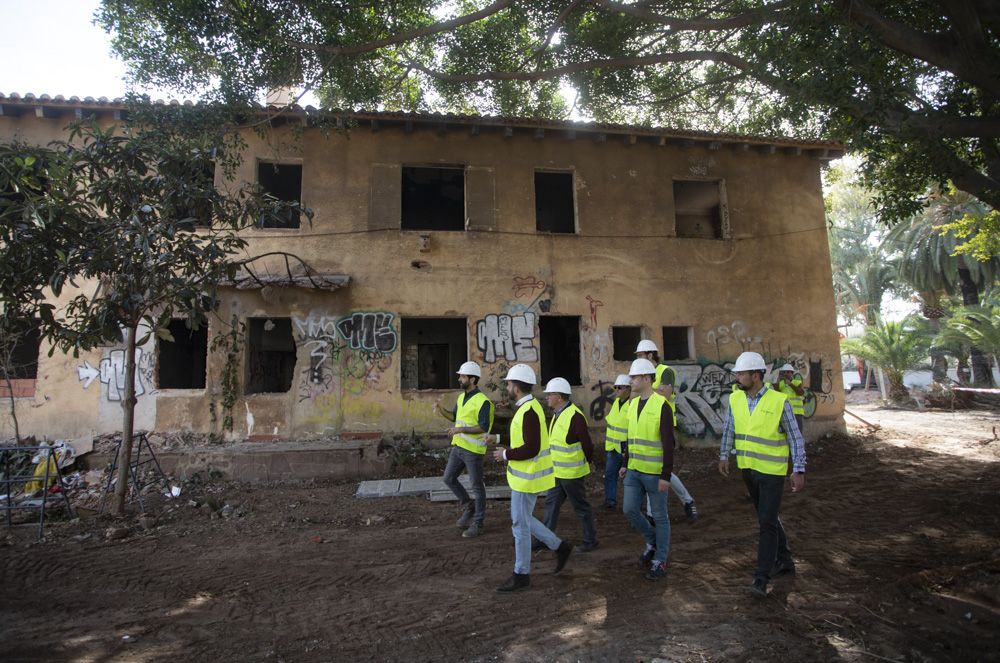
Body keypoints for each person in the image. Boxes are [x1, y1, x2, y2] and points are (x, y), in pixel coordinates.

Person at [718, 351, 807, 600]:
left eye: (741, 373)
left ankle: (762, 577)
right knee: (767, 517)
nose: (737, 376)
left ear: (756, 375)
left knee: (766, 523)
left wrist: (798, 469)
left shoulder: (779, 401)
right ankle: (785, 559)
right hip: (748, 469)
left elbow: (795, 438)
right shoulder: (736, 399)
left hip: (772, 472)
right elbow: (729, 428)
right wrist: (724, 454)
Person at [487, 364, 573, 592]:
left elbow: (532, 447)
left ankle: (521, 574)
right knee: (523, 520)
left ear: (516, 386)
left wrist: (505, 454)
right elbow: (522, 438)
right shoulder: (527, 408)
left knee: (520, 524)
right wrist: (497, 439)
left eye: (508, 383)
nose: (506, 386)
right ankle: (559, 546)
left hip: (528, 478)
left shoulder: (529, 410)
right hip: (524, 477)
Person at [619, 358, 675, 580]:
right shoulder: (632, 405)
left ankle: (660, 559)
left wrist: (666, 475)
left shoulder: (662, 405)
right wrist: (625, 463)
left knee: (660, 516)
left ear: (646, 379)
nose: (630, 380)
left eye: (634, 377)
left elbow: (669, 443)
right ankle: (653, 541)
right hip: (634, 470)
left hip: (655, 473)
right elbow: (630, 438)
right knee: (629, 510)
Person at [634, 340, 699, 524]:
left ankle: (683, 502)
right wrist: (653, 388)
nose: (638, 359)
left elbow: (665, 393)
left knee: (660, 469)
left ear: (650, 355)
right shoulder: (644, 374)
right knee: (652, 468)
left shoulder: (665, 371)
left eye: (640, 355)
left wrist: (648, 388)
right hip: (646, 424)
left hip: (663, 423)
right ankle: (675, 505)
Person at [539, 377, 598, 553]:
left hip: (572, 474)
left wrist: (588, 461)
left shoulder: (574, 416)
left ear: (558, 396)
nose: (547, 397)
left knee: (580, 507)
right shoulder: (559, 414)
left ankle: (591, 540)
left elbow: (587, 444)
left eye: (549, 394)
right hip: (558, 472)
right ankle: (546, 538)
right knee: (551, 504)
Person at [437, 361, 495, 538]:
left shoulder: (483, 402)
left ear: (473, 379)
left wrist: (460, 429)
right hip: (459, 447)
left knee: (477, 487)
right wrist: (440, 409)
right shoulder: (462, 397)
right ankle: (468, 506)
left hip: (473, 451)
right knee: (448, 478)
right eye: (460, 376)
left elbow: (484, 427)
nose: (459, 379)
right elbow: (454, 417)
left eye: (462, 376)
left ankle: (478, 523)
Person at [601, 374, 631, 509]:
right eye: (616, 387)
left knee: (630, 479)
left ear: (628, 388)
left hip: (626, 448)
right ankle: (610, 501)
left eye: (620, 387)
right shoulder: (616, 403)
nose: (617, 390)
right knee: (609, 475)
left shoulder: (632, 404)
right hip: (613, 447)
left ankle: (634, 504)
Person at [773, 363, 806, 435]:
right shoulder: (781, 384)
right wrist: (778, 381)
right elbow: (775, 392)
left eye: (788, 372)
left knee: (798, 433)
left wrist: (790, 384)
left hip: (796, 413)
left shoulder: (797, 382)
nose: (785, 374)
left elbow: (801, 392)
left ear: (792, 373)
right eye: (784, 372)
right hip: (785, 413)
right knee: (785, 434)